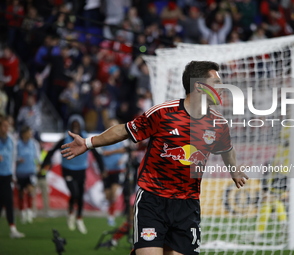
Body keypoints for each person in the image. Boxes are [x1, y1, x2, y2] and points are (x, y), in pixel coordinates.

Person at [61, 61, 248, 255]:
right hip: (153, 199)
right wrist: (89, 142)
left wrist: (234, 168)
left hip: (187, 204)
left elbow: (227, 149)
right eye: (216, 82)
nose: (222, 87)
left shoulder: (218, 123)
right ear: (200, 86)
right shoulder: (163, 113)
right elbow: (124, 131)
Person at [41, 114, 104, 234]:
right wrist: (45, 164)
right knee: (74, 193)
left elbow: (97, 154)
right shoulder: (65, 139)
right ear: (70, 126)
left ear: (81, 126)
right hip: (68, 169)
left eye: (77, 125)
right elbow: (51, 151)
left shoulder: (86, 139)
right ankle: (71, 214)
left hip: (81, 170)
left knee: (80, 195)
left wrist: (102, 168)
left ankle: (79, 218)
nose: (75, 127)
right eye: (73, 125)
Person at [255, 120, 294, 242]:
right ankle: (282, 225)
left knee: (268, 199)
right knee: (271, 200)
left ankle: (262, 232)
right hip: (281, 171)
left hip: (280, 172)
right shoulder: (290, 131)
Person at [99, 118, 128, 226]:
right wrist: (102, 169)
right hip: (107, 171)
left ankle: (111, 217)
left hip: (118, 170)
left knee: (114, 194)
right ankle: (110, 213)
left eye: (114, 125)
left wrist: (119, 158)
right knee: (108, 196)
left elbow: (126, 151)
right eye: (110, 125)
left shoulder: (123, 138)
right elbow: (100, 154)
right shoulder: (103, 138)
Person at [0, 114, 25, 238]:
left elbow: (12, 158)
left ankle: (13, 229)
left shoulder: (11, 140)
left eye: (7, 125)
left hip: (6, 175)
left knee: (9, 202)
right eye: (4, 125)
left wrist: (13, 174)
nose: (6, 128)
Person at [16, 125, 40, 224]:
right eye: (28, 133)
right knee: (21, 193)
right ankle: (22, 212)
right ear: (23, 134)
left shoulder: (34, 144)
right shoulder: (17, 144)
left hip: (30, 171)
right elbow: (13, 156)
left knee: (30, 190)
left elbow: (37, 157)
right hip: (20, 172)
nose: (30, 134)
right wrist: (18, 160)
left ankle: (29, 211)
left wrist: (38, 166)